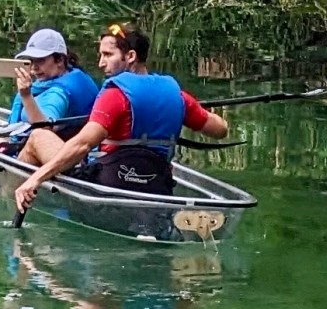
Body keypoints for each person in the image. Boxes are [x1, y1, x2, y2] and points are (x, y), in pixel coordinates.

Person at [13, 22, 229, 208]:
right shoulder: (178, 96)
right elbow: (220, 130)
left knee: (38, 136)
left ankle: (8, 192)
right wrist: (180, 107)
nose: (100, 63)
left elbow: (82, 145)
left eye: (108, 55)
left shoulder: (115, 95)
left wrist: (35, 179)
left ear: (131, 56)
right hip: (157, 185)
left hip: (107, 185)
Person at [4, 29, 99, 165]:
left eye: (41, 61)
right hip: (75, 152)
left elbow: (44, 130)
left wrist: (26, 95)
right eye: (31, 61)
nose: (34, 68)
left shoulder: (59, 94)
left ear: (60, 60)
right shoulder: (72, 75)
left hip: (58, 157)